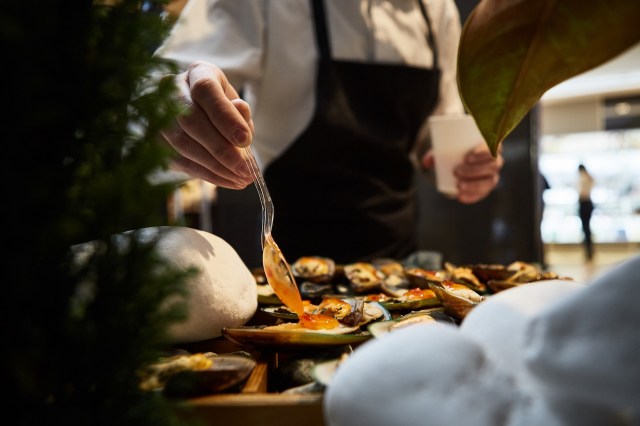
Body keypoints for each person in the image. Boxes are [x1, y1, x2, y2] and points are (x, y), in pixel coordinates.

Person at [155, 0, 503, 264]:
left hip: (399, 269)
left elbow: (436, 132)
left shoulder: (436, 8)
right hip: (292, 269)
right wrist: (170, 106)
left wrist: (464, 166)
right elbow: (154, 90)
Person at [577, 164, 595, 261]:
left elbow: (582, 192)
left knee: (586, 228)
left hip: (584, 203)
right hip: (588, 203)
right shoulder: (589, 177)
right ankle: (589, 251)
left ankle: (588, 251)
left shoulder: (583, 178)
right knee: (587, 228)